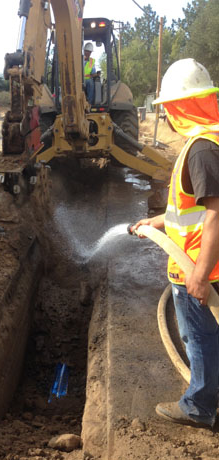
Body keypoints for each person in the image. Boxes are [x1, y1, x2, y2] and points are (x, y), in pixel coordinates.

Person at [132, 58, 219, 429]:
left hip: (197, 267)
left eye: (168, 108)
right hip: (204, 263)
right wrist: (155, 222)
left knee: (198, 339)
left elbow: (215, 216)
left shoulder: (201, 149)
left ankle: (198, 407)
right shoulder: (211, 140)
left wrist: (199, 274)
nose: (166, 115)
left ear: (180, 106)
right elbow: (191, 209)